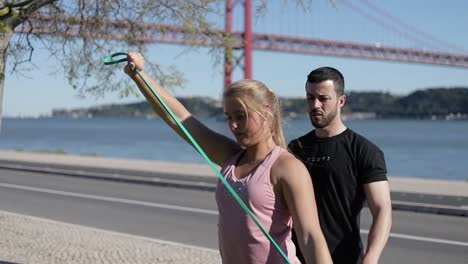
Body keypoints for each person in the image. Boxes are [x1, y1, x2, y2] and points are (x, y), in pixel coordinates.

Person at [124, 52, 332, 264]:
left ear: (266, 112)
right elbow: (179, 118)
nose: (233, 126)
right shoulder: (231, 157)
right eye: (229, 117)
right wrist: (139, 75)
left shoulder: (286, 167)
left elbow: (310, 238)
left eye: (241, 116)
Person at [289, 67, 392, 264]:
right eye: (310, 98)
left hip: (344, 258)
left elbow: (382, 209)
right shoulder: (296, 148)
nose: (315, 105)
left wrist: (371, 258)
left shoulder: (364, 151)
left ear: (341, 101)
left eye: (323, 98)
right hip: (295, 258)